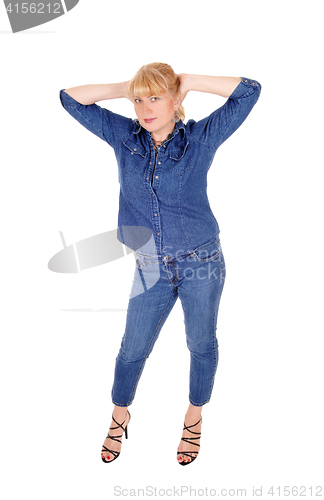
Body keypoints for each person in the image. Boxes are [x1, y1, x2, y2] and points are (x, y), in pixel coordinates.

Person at [60, 63, 261, 465]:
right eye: (139, 100)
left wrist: (189, 82)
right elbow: (69, 98)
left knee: (200, 344)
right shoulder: (124, 136)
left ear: (175, 100)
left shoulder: (201, 138)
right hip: (149, 265)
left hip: (200, 261)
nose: (145, 108)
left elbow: (250, 91)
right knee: (132, 349)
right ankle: (120, 415)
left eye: (155, 97)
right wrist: (126, 87)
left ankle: (194, 415)